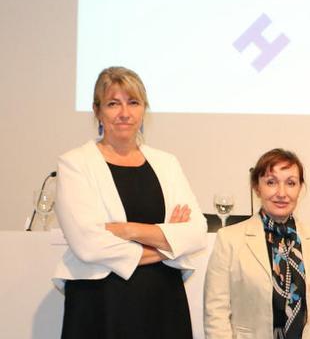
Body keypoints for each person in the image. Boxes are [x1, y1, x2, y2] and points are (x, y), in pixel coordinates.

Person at [53, 66, 208, 338]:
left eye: (133, 102)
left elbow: (196, 233)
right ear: (97, 110)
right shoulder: (74, 163)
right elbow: (88, 245)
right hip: (100, 304)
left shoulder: (166, 163)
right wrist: (167, 247)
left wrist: (130, 230)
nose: (125, 113)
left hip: (162, 301)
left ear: (143, 109)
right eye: (113, 103)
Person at [204, 148, 310, 339]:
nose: (282, 193)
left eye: (291, 183)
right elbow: (216, 313)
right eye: (271, 182)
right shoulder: (229, 239)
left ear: (300, 188)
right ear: (256, 187)